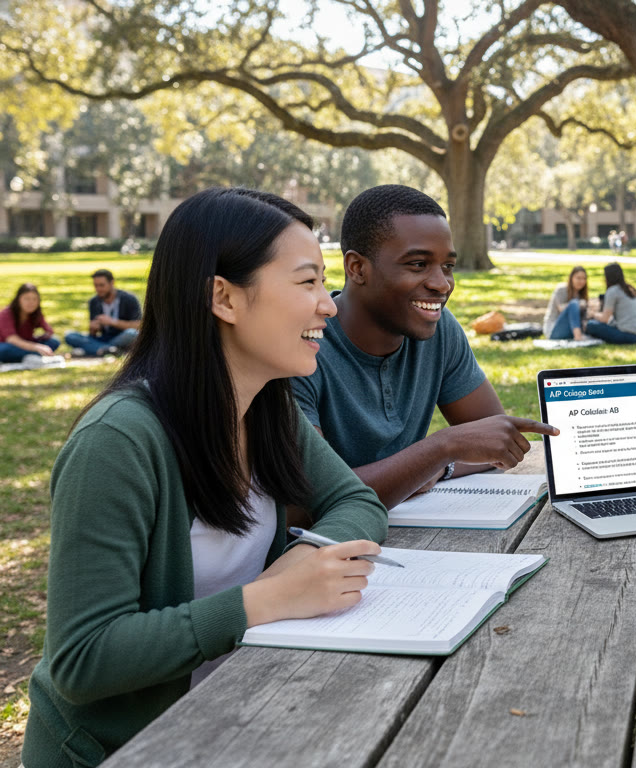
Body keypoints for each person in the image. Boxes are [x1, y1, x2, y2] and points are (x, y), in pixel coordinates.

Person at [23, 188, 390, 768]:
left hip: (239, 715)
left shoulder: (270, 408)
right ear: (223, 297)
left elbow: (355, 500)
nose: (330, 305)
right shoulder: (117, 444)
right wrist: (260, 601)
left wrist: (306, 560)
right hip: (125, 751)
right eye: (307, 282)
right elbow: (83, 659)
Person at [290, 185, 558, 512]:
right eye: (418, 264)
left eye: (447, 266)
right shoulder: (301, 346)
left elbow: (500, 443)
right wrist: (440, 449)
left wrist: (437, 466)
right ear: (357, 268)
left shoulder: (439, 328)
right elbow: (311, 497)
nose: (442, 284)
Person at [64, 269, 142, 356]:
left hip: (121, 336)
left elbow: (138, 326)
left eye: (101, 285)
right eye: (95, 286)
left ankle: (95, 349)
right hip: (103, 338)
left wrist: (112, 322)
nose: (98, 289)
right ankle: (110, 350)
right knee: (70, 336)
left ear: (112, 283)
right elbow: (92, 335)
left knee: (132, 333)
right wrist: (93, 329)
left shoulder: (129, 299)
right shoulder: (94, 301)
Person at [584, 262, 636, 344]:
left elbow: (604, 319)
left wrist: (593, 314)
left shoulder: (613, 291)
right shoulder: (630, 289)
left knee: (590, 325)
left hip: (629, 336)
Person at [0, 282, 62, 363]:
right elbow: (12, 339)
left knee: (54, 341)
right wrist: (36, 347)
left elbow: (49, 331)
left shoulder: (35, 313)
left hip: (26, 344)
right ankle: (34, 354)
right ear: (18, 299)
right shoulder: (6, 314)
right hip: (8, 345)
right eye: (27, 299)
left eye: (34, 299)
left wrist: (38, 338)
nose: (31, 302)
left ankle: (28, 355)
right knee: (4, 350)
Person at [543, 266, 591, 341]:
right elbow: (561, 308)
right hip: (553, 330)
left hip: (569, 330)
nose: (581, 281)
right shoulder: (561, 290)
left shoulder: (581, 294)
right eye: (578, 278)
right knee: (574, 303)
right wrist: (578, 304)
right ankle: (578, 336)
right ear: (571, 278)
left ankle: (579, 334)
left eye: (584, 279)